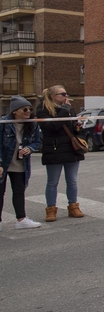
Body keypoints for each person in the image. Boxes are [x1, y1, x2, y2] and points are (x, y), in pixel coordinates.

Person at [35, 85, 85, 222]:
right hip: (54, 149)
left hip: (70, 148)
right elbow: (52, 127)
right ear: (53, 96)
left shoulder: (68, 108)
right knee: (52, 182)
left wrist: (78, 126)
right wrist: (64, 111)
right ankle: (51, 209)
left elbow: (73, 129)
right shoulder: (43, 109)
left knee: (72, 180)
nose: (65, 96)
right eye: (62, 94)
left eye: (66, 94)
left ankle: (73, 206)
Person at [0, 96, 42, 229]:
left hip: (20, 164)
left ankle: (21, 219)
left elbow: (37, 141)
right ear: (15, 111)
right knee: (0, 192)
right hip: (4, 162)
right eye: (24, 109)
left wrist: (30, 148)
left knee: (19, 191)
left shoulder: (32, 124)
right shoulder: (3, 123)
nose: (28, 111)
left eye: (30, 109)